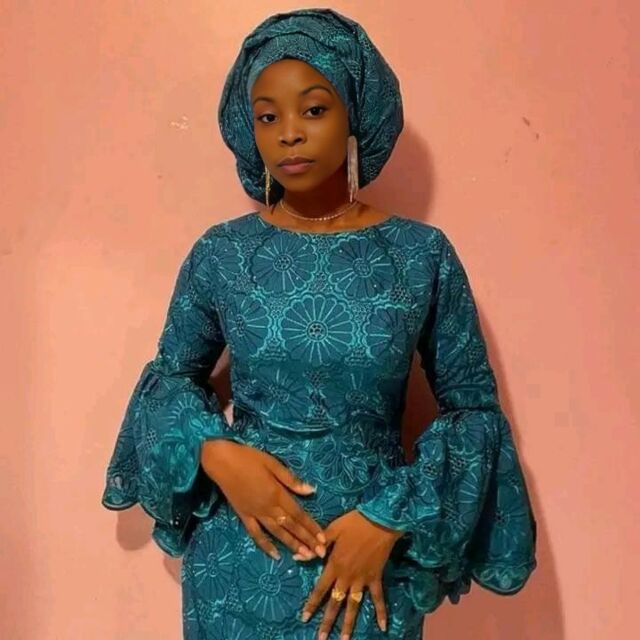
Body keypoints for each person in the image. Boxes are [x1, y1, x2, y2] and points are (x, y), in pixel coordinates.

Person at [101, 8, 537, 639]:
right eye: (267, 117)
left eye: (313, 109)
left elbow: (473, 413)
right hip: (237, 565)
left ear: (355, 112)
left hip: (366, 570)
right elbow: (168, 382)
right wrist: (216, 453)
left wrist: (388, 517)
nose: (289, 134)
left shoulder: (419, 255)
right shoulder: (223, 254)